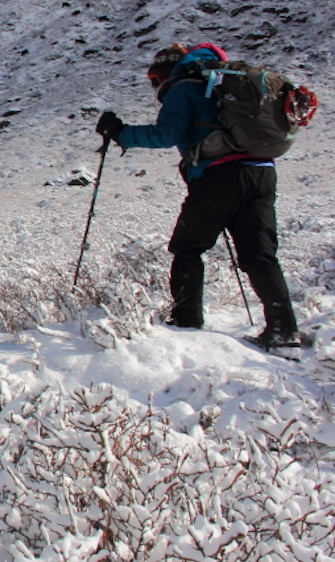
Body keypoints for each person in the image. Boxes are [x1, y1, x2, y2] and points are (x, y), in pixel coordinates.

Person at [96, 42, 301, 348]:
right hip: (261, 170)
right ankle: (284, 332)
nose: (156, 87)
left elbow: (167, 134)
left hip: (220, 174)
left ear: (168, 70)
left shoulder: (185, 85)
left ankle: (186, 324)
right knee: (260, 254)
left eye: (155, 79)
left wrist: (121, 133)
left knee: (188, 247)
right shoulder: (223, 82)